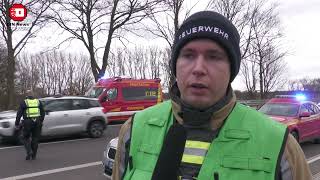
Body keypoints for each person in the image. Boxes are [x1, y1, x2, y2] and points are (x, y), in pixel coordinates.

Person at [112, 11, 312, 180]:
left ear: (231, 70)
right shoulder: (133, 130)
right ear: (175, 65)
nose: (198, 68)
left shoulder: (280, 144)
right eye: (188, 55)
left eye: (214, 56)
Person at [15, 90, 45, 160]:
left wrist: (17, 123)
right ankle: (34, 155)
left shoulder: (24, 102)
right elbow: (43, 112)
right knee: (35, 138)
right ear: (33, 95)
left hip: (27, 122)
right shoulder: (38, 101)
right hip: (37, 121)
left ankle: (29, 151)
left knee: (24, 137)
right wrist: (40, 121)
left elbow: (19, 114)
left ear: (27, 95)